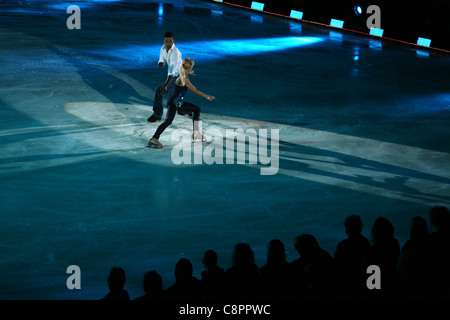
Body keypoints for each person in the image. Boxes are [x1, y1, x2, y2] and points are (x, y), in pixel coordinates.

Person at [148, 58, 215, 148]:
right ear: (188, 68)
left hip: (176, 103)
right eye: (191, 68)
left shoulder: (181, 76)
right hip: (175, 104)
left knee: (194, 111)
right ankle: (154, 139)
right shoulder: (183, 79)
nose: (192, 70)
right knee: (170, 121)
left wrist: (187, 73)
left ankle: (196, 133)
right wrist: (207, 96)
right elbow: (195, 90)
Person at [147, 32, 183, 123]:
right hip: (173, 75)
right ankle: (181, 107)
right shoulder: (163, 48)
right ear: (164, 41)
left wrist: (165, 85)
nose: (168, 43)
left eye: (170, 41)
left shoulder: (176, 53)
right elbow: (161, 58)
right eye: (166, 41)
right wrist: (161, 62)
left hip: (178, 76)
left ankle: (158, 114)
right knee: (173, 95)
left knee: (161, 90)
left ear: (173, 41)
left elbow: (172, 71)